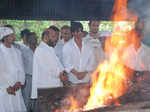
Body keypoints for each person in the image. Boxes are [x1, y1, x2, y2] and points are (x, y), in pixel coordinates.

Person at [31, 30, 68, 112]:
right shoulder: (40, 50)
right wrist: (61, 75)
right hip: (46, 90)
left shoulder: (49, 49)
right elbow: (49, 69)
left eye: (57, 37)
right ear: (46, 37)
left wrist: (64, 73)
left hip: (54, 89)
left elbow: (59, 66)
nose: (57, 39)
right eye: (54, 37)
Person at [0, 27, 26, 112]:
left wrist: (20, 82)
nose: (14, 37)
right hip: (4, 89)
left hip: (16, 88)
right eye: (11, 35)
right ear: (4, 37)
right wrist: (6, 86)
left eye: (13, 35)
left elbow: (21, 69)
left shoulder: (17, 52)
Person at [21, 32, 38, 111]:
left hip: (38, 78)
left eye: (35, 37)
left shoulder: (40, 50)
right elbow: (21, 66)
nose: (34, 39)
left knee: (37, 100)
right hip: (28, 78)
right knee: (27, 100)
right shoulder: (24, 51)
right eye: (32, 38)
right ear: (28, 40)